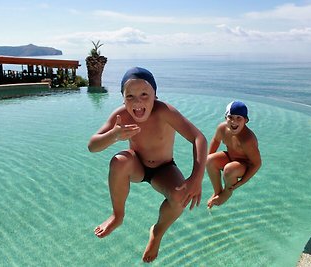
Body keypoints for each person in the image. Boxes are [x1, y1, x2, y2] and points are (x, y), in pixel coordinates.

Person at [88, 67, 207, 263]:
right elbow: (92, 146)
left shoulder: (165, 112)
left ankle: (157, 232)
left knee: (180, 197)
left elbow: (198, 138)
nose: (137, 102)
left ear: (155, 95)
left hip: (163, 169)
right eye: (130, 96)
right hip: (136, 165)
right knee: (118, 162)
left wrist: (196, 177)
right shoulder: (121, 116)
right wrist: (114, 135)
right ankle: (118, 216)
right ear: (123, 98)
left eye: (144, 94)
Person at [206, 100, 261, 209]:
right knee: (208, 160)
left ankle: (226, 192)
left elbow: (257, 164)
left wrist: (241, 182)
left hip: (243, 166)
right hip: (231, 157)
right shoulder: (222, 128)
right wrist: (209, 164)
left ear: (246, 120)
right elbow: (216, 141)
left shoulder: (247, 139)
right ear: (225, 117)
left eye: (238, 118)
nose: (233, 122)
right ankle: (218, 192)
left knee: (229, 169)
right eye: (230, 117)